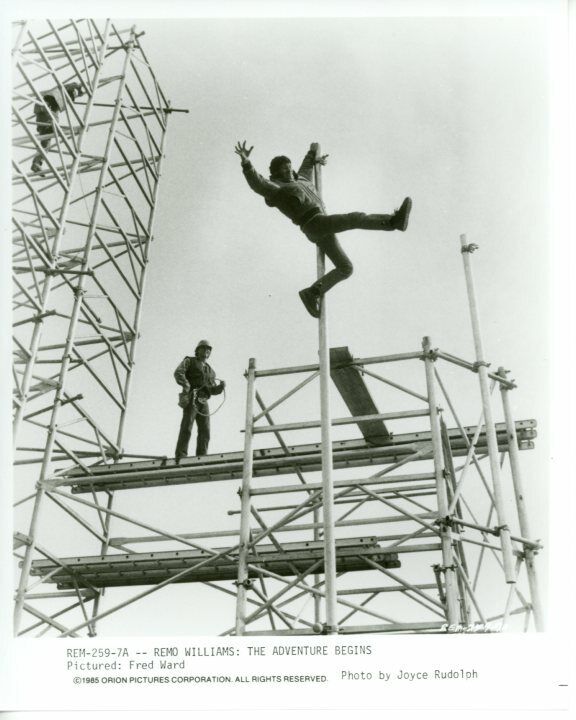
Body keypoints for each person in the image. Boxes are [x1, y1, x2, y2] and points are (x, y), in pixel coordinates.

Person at [235, 140, 412, 318]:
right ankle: (392, 222)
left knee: (345, 267)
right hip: (313, 222)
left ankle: (312, 293)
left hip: (321, 226)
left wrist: (313, 153)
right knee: (354, 218)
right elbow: (257, 183)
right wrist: (246, 162)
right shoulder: (277, 188)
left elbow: (305, 166)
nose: (288, 170)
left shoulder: (302, 179)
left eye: (289, 167)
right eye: (283, 169)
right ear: (276, 174)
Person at [174, 340, 226, 461]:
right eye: (204, 348)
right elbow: (178, 372)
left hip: (204, 401)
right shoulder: (189, 361)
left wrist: (220, 388)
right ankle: (181, 455)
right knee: (187, 426)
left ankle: (201, 456)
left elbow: (212, 390)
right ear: (198, 350)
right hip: (193, 397)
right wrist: (187, 386)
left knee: (205, 430)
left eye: (209, 350)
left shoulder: (211, 371)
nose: (207, 351)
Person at [31, 82, 84, 173]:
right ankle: (37, 162)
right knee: (51, 131)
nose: (72, 97)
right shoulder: (60, 92)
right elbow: (71, 85)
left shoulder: (60, 99)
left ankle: (37, 163)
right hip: (46, 112)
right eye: (73, 94)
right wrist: (79, 88)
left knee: (46, 142)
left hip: (45, 114)